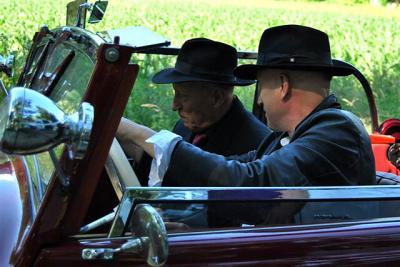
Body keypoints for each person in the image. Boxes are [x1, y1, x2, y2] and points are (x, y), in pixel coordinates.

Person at [117, 24, 376, 187]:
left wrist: (138, 133)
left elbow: (253, 181)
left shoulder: (336, 128)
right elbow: (228, 166)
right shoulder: (282, 139)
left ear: (283, 85)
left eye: (261, 86)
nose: (260, 99)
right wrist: (191, 224)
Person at [119, 38, 270, 185]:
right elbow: (166, 166)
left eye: (183, 96)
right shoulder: (188, 124)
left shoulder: (256, 148)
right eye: (175, 93)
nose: (174, 105)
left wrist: (135, 133)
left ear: (216, 98)